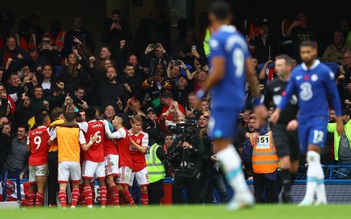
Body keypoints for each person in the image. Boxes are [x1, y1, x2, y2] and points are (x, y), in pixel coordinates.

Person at [194, 2, 267, 210]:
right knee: (220, 144)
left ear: (212, 19)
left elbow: (217, 71)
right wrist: (259, 100)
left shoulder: (218, 38)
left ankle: (242, 193)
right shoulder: (239, 38)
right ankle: (242, 193)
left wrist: (201, 92)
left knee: (219, 145)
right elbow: (250, 72)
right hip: (236, 96)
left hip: (224, 97)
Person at [271, 40, 343, 206]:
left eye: (308, 52)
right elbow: (288, 95)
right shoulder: (296, 73)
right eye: (302, 53)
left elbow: (335, 97)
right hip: (303, 120)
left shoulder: (324, 71)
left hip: (319, 118)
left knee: (311, 155)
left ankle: (309, 197)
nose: (305, 55)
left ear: (315, 52)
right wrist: (278, 110)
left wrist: (339, 120)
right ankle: (323, 199)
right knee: (313, 159)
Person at [263, 55, 299, 203]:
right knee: (283, 157)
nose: (276, 68)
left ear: (289, 67)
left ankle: (288, 185)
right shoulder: (271, 85)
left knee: (295, 163)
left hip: (296, 126)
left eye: (280, 66)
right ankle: (287, 192)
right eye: (275, 65)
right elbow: (265, 106)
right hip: (279, 126)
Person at [49, 111, 97, 209]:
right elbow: (85, 148)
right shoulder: (78, 131)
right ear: (75, 119)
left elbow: (49, 142)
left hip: (63, 160)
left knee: (62, 186)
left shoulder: (58, 129)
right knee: (75, 185)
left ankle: (63, 207)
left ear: (64, 118)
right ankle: (73, 206)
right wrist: (92, 141)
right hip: (75, 160)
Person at [243, 121, 279, 203]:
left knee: (258, 193)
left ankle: (258, 214)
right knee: (271, 194)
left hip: (257, 170)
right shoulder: (273, 136)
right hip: (271, 170)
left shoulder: (252, 137)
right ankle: (271, 215)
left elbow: (246, 155)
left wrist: (248, 168)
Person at [104, 115, 136, 206]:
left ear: (117, 121)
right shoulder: (123, 132)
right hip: (124, 162)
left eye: (114, 119)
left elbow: (109, 135)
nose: (112, 121)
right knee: (122, 187)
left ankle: (131, 207)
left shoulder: (122, 131)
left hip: (124, 162)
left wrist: (105, 123)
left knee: (119, 186)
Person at [27, 113, 51, 206]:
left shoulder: (31, 133)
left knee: (32, 187)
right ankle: (37, 211)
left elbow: (27, 149)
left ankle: (30, 208)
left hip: (32, 162)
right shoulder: (48, 131)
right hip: (42, 162)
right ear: (46, 121)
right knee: (40, 188)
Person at [128, 115, 150, 205]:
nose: (139, 127)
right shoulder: (126, 134)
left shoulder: (144, 135)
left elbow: (143, 150)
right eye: (137, 125)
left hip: (141, 165)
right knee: (126, 188)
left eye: (140, 125)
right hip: (129, 165)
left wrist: (132, 142)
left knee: (144, 188)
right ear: (131, 124)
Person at [327, 109, 351, 178]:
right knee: (341, 183)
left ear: (348, 116)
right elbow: (325, 126)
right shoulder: (336, 125)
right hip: (341, 160)